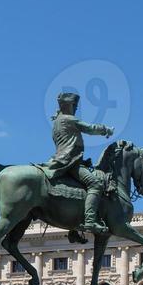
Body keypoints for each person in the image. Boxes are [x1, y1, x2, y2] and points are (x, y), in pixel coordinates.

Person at [44, 91, 114, 235]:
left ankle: (74, 229)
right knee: (95, 184)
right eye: (74, 105)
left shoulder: (57, 122)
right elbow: (89, 128)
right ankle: (90, 221)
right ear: (68, 105)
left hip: (62, 159)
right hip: (70, 161)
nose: (76, 108)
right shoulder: (68, 119)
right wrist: (105, 129)